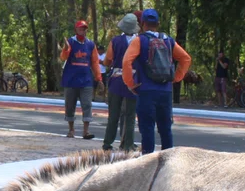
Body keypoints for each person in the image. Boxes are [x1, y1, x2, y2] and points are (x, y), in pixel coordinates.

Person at [122, 9, 192, 154]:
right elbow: (186, 58)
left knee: (147, 128)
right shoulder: (168, 40)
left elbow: (126, 61)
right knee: (166, 129)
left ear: (142, 24)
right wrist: (176, 78)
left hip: (146, 90)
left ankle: (148, 161)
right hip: (165, 91)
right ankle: (168, 163)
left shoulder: (139, 40)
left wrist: (130, 84)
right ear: (158, 23)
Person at [102, 14, 139, 151]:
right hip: (133, 81)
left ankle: (107, 143)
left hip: (116, 79)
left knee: (114, 114)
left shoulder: (115, 41)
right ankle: (127, 144)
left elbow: (107, 61)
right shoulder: (140, 41)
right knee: (130, 115)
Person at [60, 20, 102, 139]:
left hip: (86, 80)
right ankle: (71, 129)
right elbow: (63, 57)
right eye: (80, 29)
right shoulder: (70, 42)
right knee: (70, 105)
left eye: (84, 29)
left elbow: (95, 62)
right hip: (70, 80)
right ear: (76, 30)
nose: (82, 31)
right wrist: (66, 49)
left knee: (87, 104)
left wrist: (99, 78)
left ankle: (86, 131)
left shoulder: (90, 45)